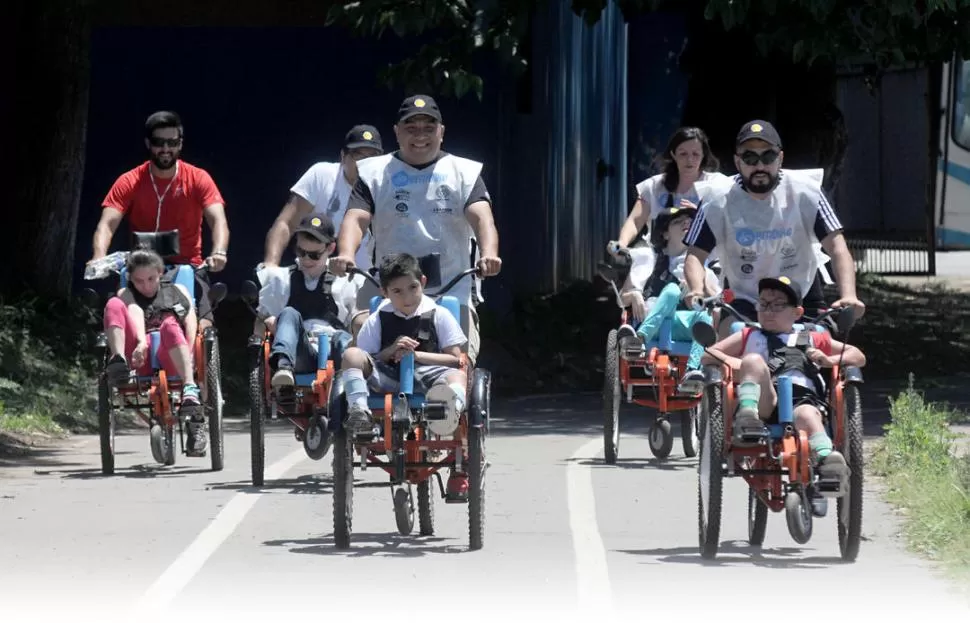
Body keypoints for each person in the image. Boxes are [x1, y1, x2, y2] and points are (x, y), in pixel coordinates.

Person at [330, 95, 502, 366]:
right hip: (387, 281)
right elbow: (355, 219)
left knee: (460, 353)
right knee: (361, 330)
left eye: (428, 128)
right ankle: (359, 401)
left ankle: (451, 397)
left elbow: (483, 219)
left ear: (441, 132)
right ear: (397, 132)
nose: (420, 135)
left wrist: (489, 255)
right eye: (411, 128)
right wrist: (346, 254)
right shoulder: (374, 173)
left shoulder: (463, 172)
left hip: (449, 284)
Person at [682, 120, 865, 338]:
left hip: (801, 293)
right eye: (750, 157)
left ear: (780, 158)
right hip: (746, 296)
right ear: (737, 161)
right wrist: (695, 289)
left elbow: (837, 248)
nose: (759, 166)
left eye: (768, 157)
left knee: (822, 347)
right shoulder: (716, 197)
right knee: (729, 341)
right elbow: (695, 255)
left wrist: (849, 295)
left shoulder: (807, 191)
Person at [699, 276, 866, 494]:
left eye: (778, 305)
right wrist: (738, 364)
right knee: (753, 360)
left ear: (797, 312)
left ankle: (827, 461)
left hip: (802, 399)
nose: (768, 311)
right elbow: (710, 354)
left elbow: (858, 356)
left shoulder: (812, 336)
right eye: (764, 304)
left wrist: (829, 361)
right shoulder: (750, 333)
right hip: (764, 400)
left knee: (807, 416)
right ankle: (747, 418)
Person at [339, 253, 471, 501]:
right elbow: (367, 357)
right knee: (351, 355)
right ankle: (359, 411)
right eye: (398, 291)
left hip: (430, 375)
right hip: (388, 375)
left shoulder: (438, 313)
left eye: (413, 288)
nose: (407, 297)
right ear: (386, 292)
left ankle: (449, 408)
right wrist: (392, 350)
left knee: (457, 375)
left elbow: (455, 358)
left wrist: (418, 356)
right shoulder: (378, 317)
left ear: (422, 281)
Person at [90, 111, 230, 335]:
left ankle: (198, 365)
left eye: (172, 142)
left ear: (180, 143)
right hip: (141, 266)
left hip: (188, 265)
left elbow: (218, 220)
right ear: (148, 143)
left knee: (204, 327)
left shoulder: (198, 178)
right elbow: (106, 225)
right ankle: (117, 363)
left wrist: (219, 252)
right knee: (117, 314)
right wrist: (99, 257)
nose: (166, 149)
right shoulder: (130, 181)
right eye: (159, 142)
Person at [101, 248, 208, 456]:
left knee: (169, 324)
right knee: (113, 304)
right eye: (139, 281)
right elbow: (135, 312)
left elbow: (190, 321)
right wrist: (141, 343)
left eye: (151, 279)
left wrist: (191, 356)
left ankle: (189, 388)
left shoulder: (178, 290)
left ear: (160, 272)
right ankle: (118, 359)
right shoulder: (127, 294)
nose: (146, 286)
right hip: (138, 356)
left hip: (173, 352)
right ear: (130, 278)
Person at [616, 205, 720, 393]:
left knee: (704, 317)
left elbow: (717, 304)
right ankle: (640, 339)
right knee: (671, 290)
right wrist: (634, 294)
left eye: (689, 221)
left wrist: (699, 287)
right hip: (651, 321)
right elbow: (622, 299)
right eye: (678, 221)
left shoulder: (702, 266)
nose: (686, 223)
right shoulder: (649, 258)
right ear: (664, 233)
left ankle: (693, 371)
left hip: (682, 325)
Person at [253, 214, 357, 388]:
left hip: (336, 348)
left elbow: (357, 325)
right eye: (301, 252)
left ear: (330, 248)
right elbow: (262, 318)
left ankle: (350, 386)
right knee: (289, 313)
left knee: (343, 337)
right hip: (301, 351)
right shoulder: (282, 279)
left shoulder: (345, 281)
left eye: (314, 255)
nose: (306, 259)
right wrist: (265, 326)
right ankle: (283, 367)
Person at [262, 123, 384, 273]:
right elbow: (286, 222)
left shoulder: (387, 187)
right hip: (315, 275)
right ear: (343, 156)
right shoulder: (321, 175)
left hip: (364, 277)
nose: (365, 163)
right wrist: (270, 266)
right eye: (358, 156)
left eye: (372, 157)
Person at [608, 126, 729, 275]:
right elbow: (635, 221)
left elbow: (730, 220)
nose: (689, 160)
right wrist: (622, 243)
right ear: (673, 154)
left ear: (704, 155)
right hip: (659, 261)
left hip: (704, 259)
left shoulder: (718, 184)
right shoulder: (654, 186)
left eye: (695, 154)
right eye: (683, 154)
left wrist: (701, 215)